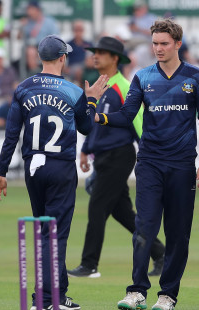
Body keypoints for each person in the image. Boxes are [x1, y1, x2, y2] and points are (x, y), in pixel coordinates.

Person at [95, 19, 199, 310]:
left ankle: (168, 294)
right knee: (144, 229)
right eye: (155, 43)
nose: (158, 49)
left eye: (163, 43)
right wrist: (98, 116)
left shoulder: (195, 77)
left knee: (178, 233)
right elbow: (126, 115)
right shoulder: (143, 77)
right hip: (149, 163)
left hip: (183, 165)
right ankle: (136, 291)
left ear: (177, 44)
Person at [0, 35, 110, 310]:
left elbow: (11, 135)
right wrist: (91, 101)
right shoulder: (71, 91)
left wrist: (1, 172)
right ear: (62, 58)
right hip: (60, 167)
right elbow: (86, 128)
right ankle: (44, 299)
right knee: (55, 235)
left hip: (32, 168)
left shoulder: (23, 88)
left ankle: (58, 294)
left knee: (45, 232)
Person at [67, 36, 166, 279]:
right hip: (103, 156)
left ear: (115, 59)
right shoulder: (96, 87)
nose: (95, 55)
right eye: (95, 52)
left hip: (119, 156)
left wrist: (149, 154)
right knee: (122, 213)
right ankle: (161, 253)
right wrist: (85, 149)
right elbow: (93, 123)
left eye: (101, 52)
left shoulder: (124, 87)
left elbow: (139, 123)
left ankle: (89, 264)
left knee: (97, 208)